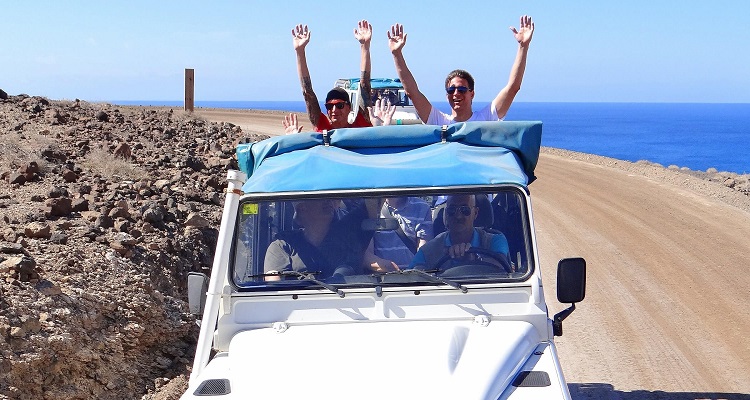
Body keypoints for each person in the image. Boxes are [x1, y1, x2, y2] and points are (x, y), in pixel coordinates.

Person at [388, 15, 534, 125]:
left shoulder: (486, 118)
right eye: (451, 90)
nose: (456, 93)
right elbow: (412, 92)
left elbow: (513, 87)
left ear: (472, 94)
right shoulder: (438, 121)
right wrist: (396, 54)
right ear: (447, 96)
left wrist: (523, 47)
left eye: (462, 89)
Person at [292, 20, 374, 132]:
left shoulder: (359, 126)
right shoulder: (322, 127)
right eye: (329, 107)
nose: (334, 110)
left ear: (349, 108)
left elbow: (365, 86)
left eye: (339, 105)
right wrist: (299, 52)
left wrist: (365, 47)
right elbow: (308, 93)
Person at [264, 199, 376, 280]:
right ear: (302, 208)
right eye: (319, 197)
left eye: (329, 197)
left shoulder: (349, 237)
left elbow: (373, 202)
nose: (328, 201)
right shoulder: (282, 246)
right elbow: (274, 288)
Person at [409, 194, 509, 270]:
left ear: (475, 213)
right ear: (446, 214)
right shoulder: (429, 250)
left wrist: (475, 259)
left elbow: (503, 265)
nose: (458, 216)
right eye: (452, 210)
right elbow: (411, 274)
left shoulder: (495, 240)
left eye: (465, 210)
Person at [363, 197, 433, 272]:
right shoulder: (371, 207)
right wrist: (388, 267)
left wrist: (412, 272)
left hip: (414, 277)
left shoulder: (421, 207)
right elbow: (366, 256)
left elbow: (424, 252)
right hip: (380, 278)